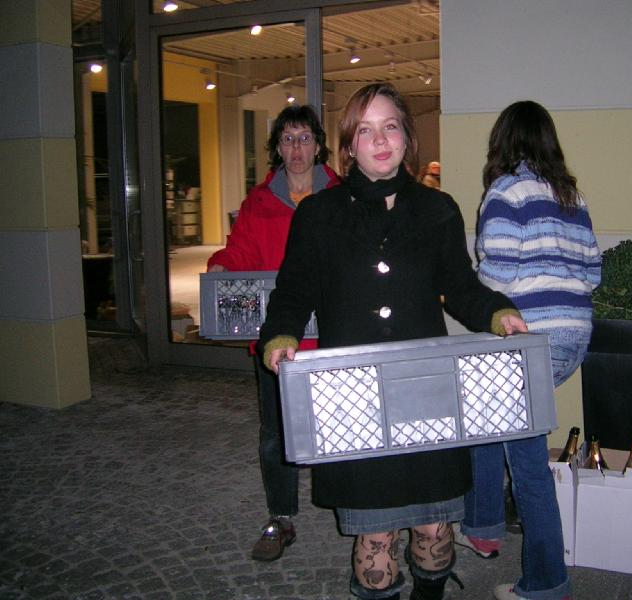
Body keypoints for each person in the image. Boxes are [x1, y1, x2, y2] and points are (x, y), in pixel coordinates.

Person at [258, 83, 528, 600]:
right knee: (375, 538)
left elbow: (461, 287)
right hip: (353, 395)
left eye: (390, 127)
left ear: (406, 136)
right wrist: (281, 334)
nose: (380, 140)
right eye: (365, 130)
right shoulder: (318, 215)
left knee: (434, 529)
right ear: (348, 146)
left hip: (425, 390)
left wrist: (498, 313)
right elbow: (293, 292)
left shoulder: (437, 209)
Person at [456, 100, 601, 600]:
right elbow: (593, 272)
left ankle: (545, 582)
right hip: (573, 336)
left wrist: (470, 287)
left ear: (502, 141)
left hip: (528, 338)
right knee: (484, 413)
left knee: (527, 462)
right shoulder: (572, 196)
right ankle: (482, 527)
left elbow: (496, 274)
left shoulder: (505, 191)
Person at [206, 104, 340, 562]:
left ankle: (349, 501)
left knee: (339, 422)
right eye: (287, 139)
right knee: (275, 432)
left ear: (318, 146)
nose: (296, 148)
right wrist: (221, 266)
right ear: (277, 148)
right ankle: (282, 515)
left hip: (330, 335)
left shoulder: (341, 196)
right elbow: (240, 250)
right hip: (276, 336)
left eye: (304, 138)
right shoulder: (258, 202)